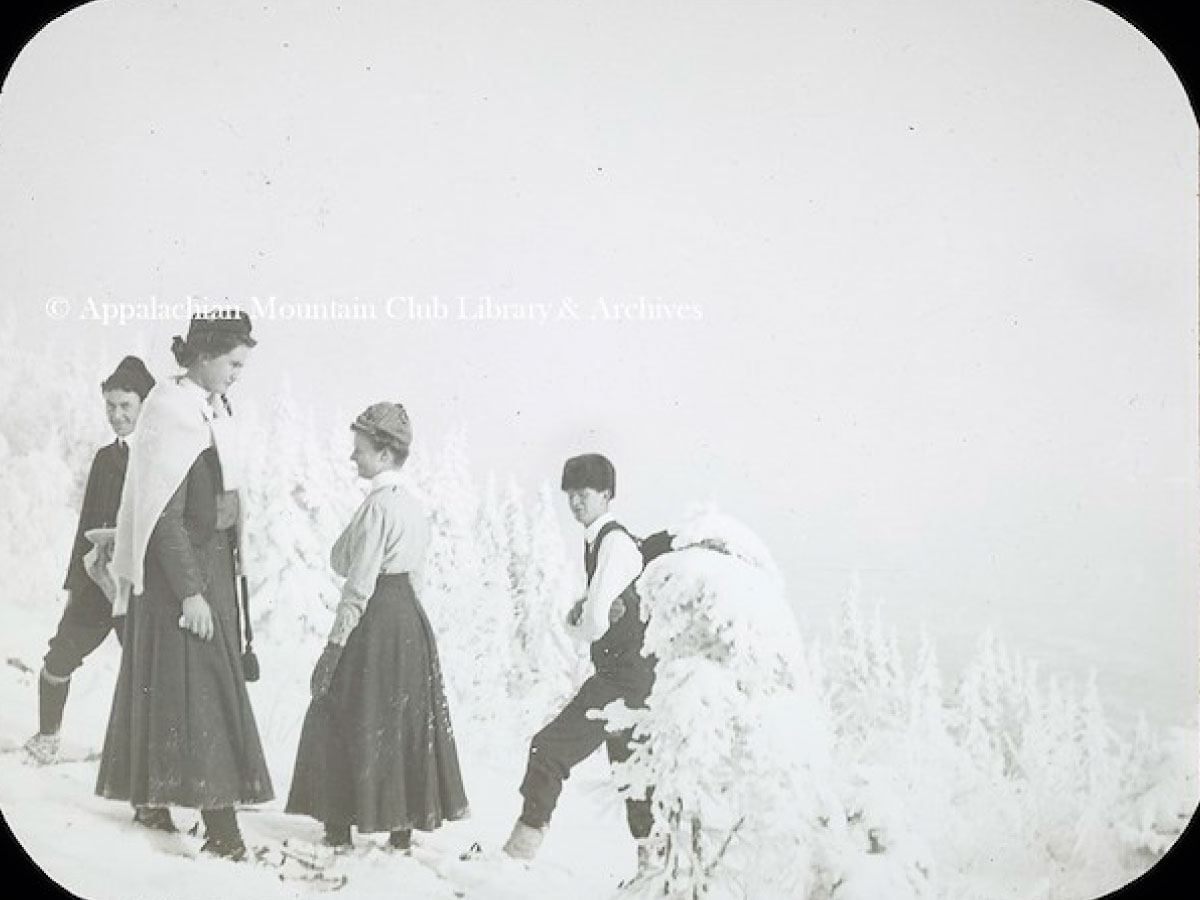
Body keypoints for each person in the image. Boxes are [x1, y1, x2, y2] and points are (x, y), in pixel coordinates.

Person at [95, 311, 273, 858]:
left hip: (209, 566)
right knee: (204, 693)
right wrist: (193, 591)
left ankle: (151, 800)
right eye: (233, 362)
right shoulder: (170, 411)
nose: (238, 373)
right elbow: (164, 516)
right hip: (180, 574)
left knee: (178, 686)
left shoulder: (210, 407)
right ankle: (224, 834)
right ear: (202, 354)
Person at [286, 402, 469, 851]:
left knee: (339, 708)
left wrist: (334, 645)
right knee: (401, 718)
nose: (354, 459)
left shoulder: (375, 509)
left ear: (385, 455)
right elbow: (415, 576)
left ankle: (338, 823)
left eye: (361, 451)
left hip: (373, 619)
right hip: (409, 621)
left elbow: (357, 580)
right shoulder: (413, 507)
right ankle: (401, 827)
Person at [502, 453, 658, 873]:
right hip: (636, 679)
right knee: (634, 776)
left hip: (621, 681)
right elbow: (608, 609)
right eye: (570, 494)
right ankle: (654, 871)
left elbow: (594, 622)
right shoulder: (605, 540)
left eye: (584, 494)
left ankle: (519, 853)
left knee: (548, 749)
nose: (575, 502)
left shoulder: (612, 542)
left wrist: (577, 621)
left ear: (606, 494)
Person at [23, 356, 155, 765]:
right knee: (58, 658)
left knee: (147, 675)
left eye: (125, 407)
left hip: (137, 588)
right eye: (110, 406)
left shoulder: (156, 458)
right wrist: (75, 583)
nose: (116, 415)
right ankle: (47, 740)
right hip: (95, 583)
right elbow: (86, 525)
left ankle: (142, 759)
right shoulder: (104, 458)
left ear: (145, 407)